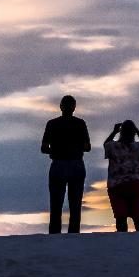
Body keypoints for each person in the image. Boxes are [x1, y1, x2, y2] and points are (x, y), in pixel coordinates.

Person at [41, 95, 91, 234]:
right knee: (75, 204)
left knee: (56, 203)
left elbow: (44, 148)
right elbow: (87, 147)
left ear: (60, 107)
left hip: (59, 164)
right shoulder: (80, 123)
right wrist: (74, 148)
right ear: (74, 107)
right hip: (75, 164)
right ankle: (73, 234)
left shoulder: (52, 124)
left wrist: (57, 150)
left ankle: (55, 234)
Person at [103, 120, 139, 232]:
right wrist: (137, 130)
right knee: (138, 216)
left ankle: (122, 240)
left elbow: (106, 144)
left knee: (121, 217)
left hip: (117, 185)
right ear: (133, 133)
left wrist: (114, 132)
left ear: (121, 132)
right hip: (136, 184)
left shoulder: (114, 147)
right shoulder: (138, 147)